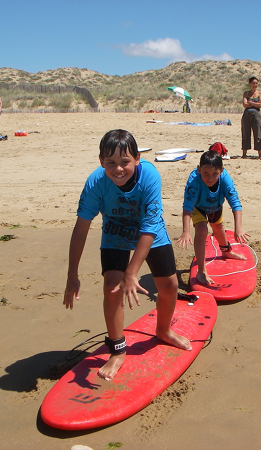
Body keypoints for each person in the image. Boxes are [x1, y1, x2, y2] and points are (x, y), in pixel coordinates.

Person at [63, 129, 192, 381]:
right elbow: (80, 230)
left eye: (125, 162)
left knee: (169, 285)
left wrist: (132, 273)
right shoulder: (95, 183)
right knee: (112, 287)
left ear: (137, 160)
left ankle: (163, 330)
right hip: (115, 232)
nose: (118, 169)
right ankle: (118, 351)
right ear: (101, 162)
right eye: (110, 163)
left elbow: (149, 226)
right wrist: (72, 275)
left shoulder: (150, 177)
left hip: (150, 231)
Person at [177, 150, 250, 285]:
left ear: (221, 171)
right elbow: (187, 206)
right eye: (206, 173)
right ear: (199, 170)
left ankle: (226, 251)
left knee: (217, 227)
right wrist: (186, 231)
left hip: (215, 205)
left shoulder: (225, 179)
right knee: (202, 229)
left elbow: (235, 203)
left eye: (214, 174)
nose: (210, 178)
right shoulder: (194, 181)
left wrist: (238, 228)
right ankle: (201, 271)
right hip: (197, 206)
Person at [241, 77, 261, 159]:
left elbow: (260, 104)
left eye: (256, 83)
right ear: (250, 84)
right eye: (253, 83)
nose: (255, 85)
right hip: (247, 115)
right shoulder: (246, 93)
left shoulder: (260, 93)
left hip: (257, 115)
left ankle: (260, 154)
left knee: (258, 133)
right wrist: (255, 103)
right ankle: (244, 153)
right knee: (245, 133)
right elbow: (244, 104)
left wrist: (250, 102)